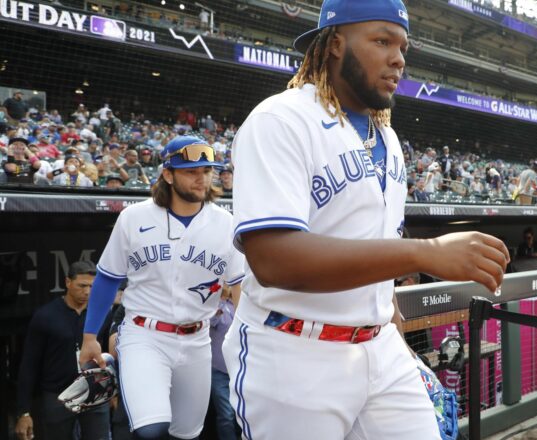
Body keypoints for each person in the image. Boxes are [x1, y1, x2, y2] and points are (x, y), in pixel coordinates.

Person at [225, 0, 510, 438]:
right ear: (335, 44)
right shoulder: (279, 119)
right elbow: (274, 259)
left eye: (403, 47)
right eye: (382, 40)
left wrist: (388, 312)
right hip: (293, 352)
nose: (398, 58)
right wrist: (427, 252)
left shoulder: (389, 137)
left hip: (379, 348)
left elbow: (371, 234)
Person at [79, 136, 245, 440]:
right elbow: (107, 277)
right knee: (151, 429)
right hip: (145, 334)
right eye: (191, 171)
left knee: (187, 433)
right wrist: (90, 337)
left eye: (206, 170)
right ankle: (125, 366)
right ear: (168, 175)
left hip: (198, 340)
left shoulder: (226, 223)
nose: (202, 178)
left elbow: (239, 288)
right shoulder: (134, 217)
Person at [15, 261, 110, 440]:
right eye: (82, 285)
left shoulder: (102, 314)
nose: (87, 291)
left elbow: (108, 353)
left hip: (95, 392)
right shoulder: (45, 316)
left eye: (92, 286)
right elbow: (29, 364)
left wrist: (113, 391)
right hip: (57, 395)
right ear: (68, 282)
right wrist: (24, 411)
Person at [209, 289, 240, 440]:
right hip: (218, 370)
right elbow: (211, 320)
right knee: (226, 414)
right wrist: (215, 312)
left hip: (238, 370)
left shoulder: (238, 306)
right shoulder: (214, 305)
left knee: (241, 413)